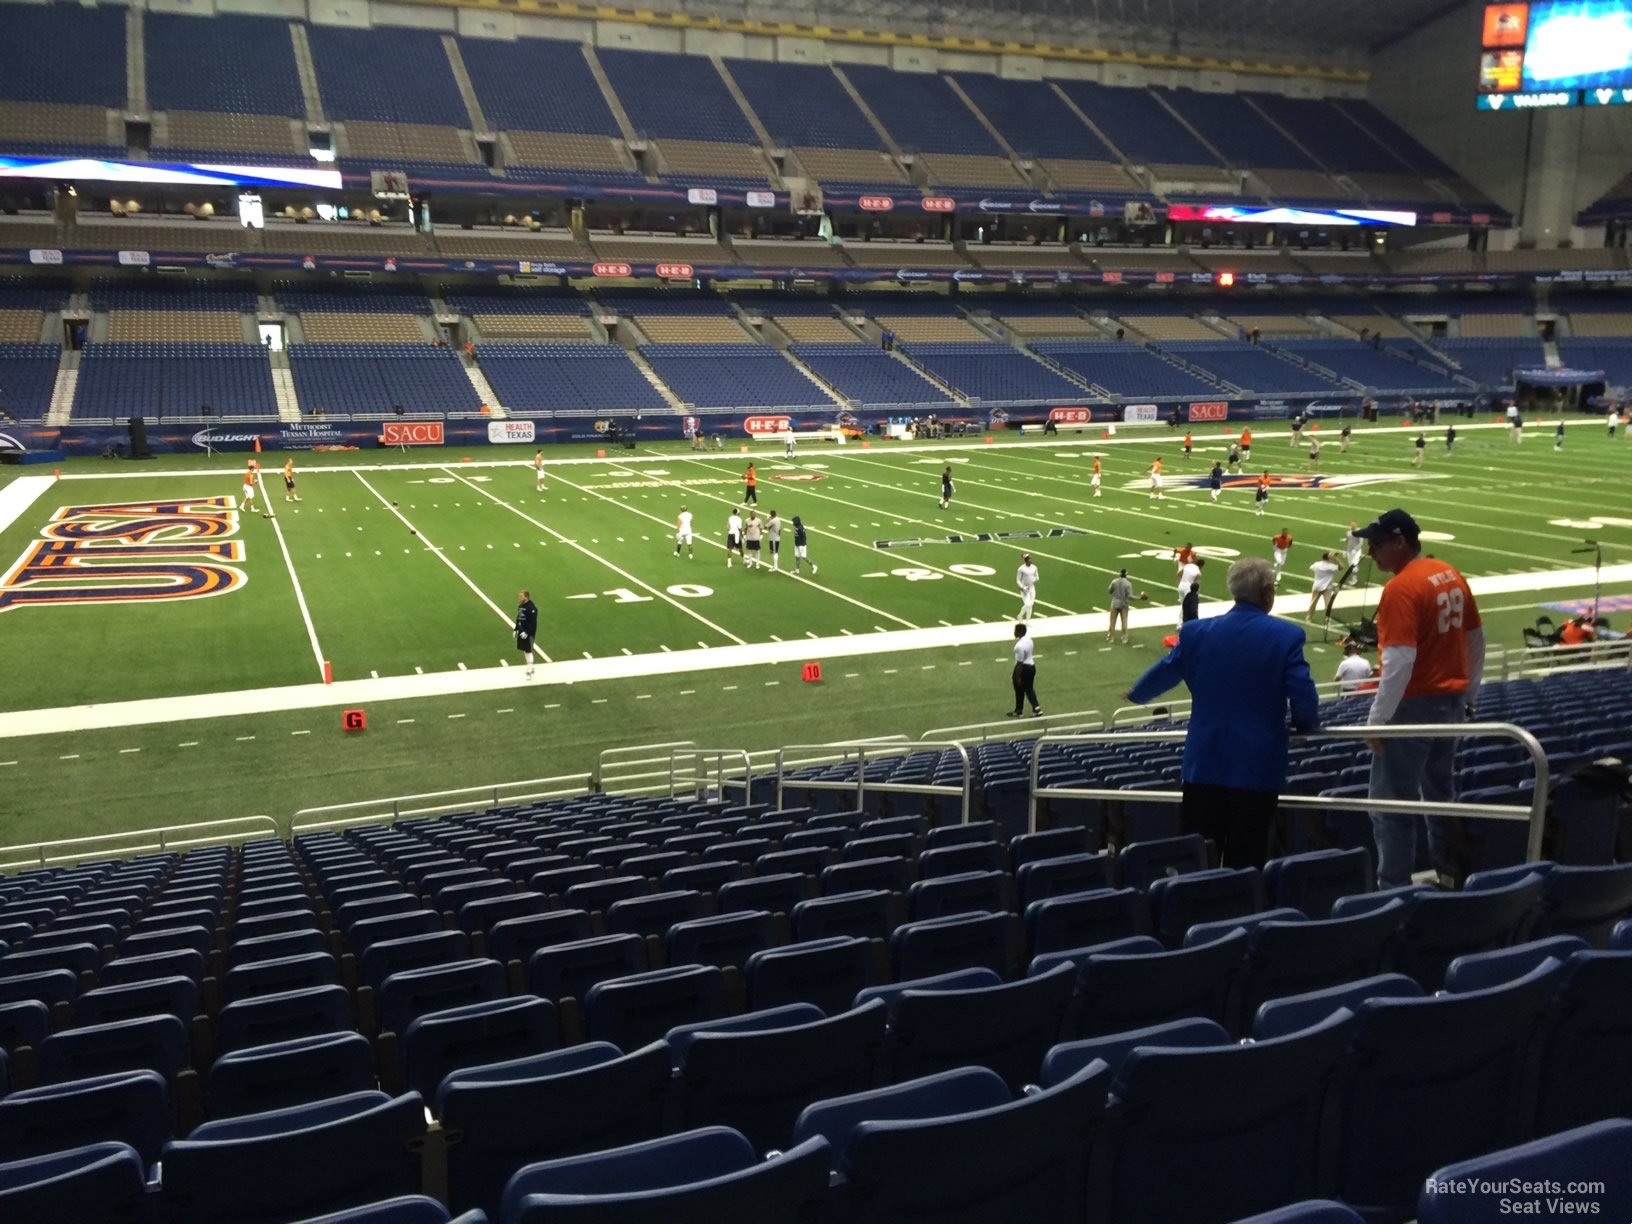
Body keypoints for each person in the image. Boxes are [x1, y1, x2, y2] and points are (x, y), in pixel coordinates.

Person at [1126, 556, 1319, 868]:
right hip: (1257, 768)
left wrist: (1136, 695)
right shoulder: (1286, 636)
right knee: (1247, 859)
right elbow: (1303, 694)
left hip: (1205, 763)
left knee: (1198, 857)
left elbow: (1166, 671)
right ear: (1267, 592)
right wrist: (1305, 727)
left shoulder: (1197, 633)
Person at [1355, 508, 1485, 889]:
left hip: (1413, 705)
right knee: (1439, 794)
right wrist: (1469, 695)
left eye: (1377, 543)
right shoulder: (1449, 573)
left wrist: (1377, 720)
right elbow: (1475, 640)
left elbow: (1399, 660)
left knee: (1391, 805)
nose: (1371, 553)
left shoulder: (1401, 588)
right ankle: (1449, 873)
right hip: (1450, 702)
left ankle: (1394, 892)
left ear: (1400, 541)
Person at [1008, 622, 1042, 718]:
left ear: (1020, 632)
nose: (1014, 632)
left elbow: (1020, 662)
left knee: (1019, 689)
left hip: (1024, 668)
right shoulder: (1029, 640)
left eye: (1015, 630)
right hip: (1031, 666)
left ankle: (1019, 711)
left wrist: (1017, 676)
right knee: (1029, 689)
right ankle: (1036, 708)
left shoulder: (1019, 646)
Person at [1308, 551, 1340, 623]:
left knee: (1313, 603)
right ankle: (1327, 619)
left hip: (1317, 586)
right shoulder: (1330, 566)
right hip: (1327, 587)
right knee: (1328, 604)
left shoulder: (1317, 564)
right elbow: (1342, 567)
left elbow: (1311, 567)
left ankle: (1309, 617)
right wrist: (1335, 558)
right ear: (1329, 558)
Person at [515, 590, 539, 679]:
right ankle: (531, 667)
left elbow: (533, 623)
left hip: (528, 633)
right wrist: (516, 629)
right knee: (525, 650)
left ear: (526, 597)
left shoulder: (531, 608)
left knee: (528, 650)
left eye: (521, 596)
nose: (519, 598)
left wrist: (527, 632)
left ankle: (529, 671)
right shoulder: (521, 606)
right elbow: (518, 618)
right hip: (522, 631)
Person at [1176, 556, 1204, 628]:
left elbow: (1178, 574)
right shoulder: (1198, 571)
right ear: (1201, 566)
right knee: (1186, 607)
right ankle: (1182, 625)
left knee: (1183, 606)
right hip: (1188, 589)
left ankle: (1180, 624)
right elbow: (1197, 583)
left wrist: (1182, 581)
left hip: (1181, 586)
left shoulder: (1187, 565)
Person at [1107, 568, 1133, 644]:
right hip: (1124, 604)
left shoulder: (1114, 581)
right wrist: (1139, 598)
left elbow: (1109, 591)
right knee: (1124, 621)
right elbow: (1130, 596)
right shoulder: (1128, 584)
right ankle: (1124, 638)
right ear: (1126, 575)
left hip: (1114, 603)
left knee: (1112, 621)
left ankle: (1111, 637)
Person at [1016, 553, 1039, 621]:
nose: (1030, 560)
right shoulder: (1021, 569)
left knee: (1031, 604)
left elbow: (1037, 577)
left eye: (1030, 559)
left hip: (1031, 587)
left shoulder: (1034, 567)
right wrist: (1022, 587)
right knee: (1027, 604)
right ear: (1026, 560)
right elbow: (1018, 580)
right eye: (1029, 559)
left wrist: (1033, 580)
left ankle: (1027, 620)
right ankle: (1020, 615)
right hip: (1024, 589)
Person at [1340, 519, 1363, 586]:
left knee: (1354, 564)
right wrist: (1344, 550)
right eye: (1351, 524)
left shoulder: (1359, 532)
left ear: (1356, 524)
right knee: (1350, 565)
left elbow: (1360, 542)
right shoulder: (1348, 532)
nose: (1352, 525)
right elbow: (1347, 541)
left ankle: (1354, 579)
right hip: (1349, 551)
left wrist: (1355, 549)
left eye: (1354, 524)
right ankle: (1353, 577)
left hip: (1356, 552)